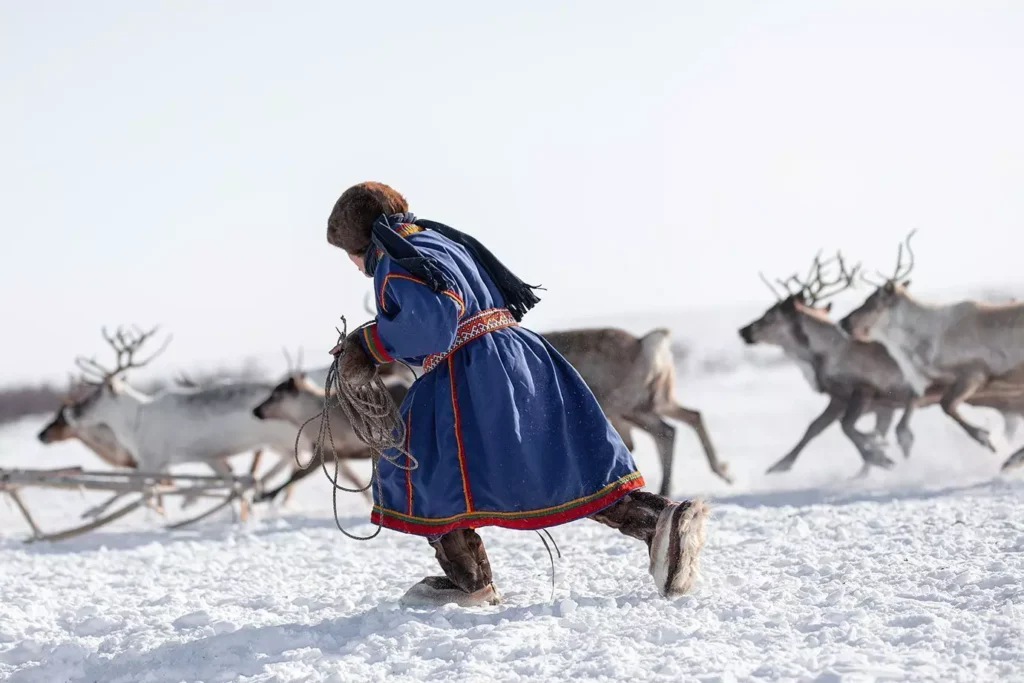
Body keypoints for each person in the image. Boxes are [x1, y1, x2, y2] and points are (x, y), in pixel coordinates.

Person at [327, 181, 707, 606]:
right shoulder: (439, 242)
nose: (354, 265)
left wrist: (369, 344)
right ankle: (660, 523)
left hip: (470, 373)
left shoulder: (395, 260)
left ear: (360, 241)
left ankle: (469, 583)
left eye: (348, 254)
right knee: (552, 463)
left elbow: (433, 325)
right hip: (515, 355)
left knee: (418, 470)